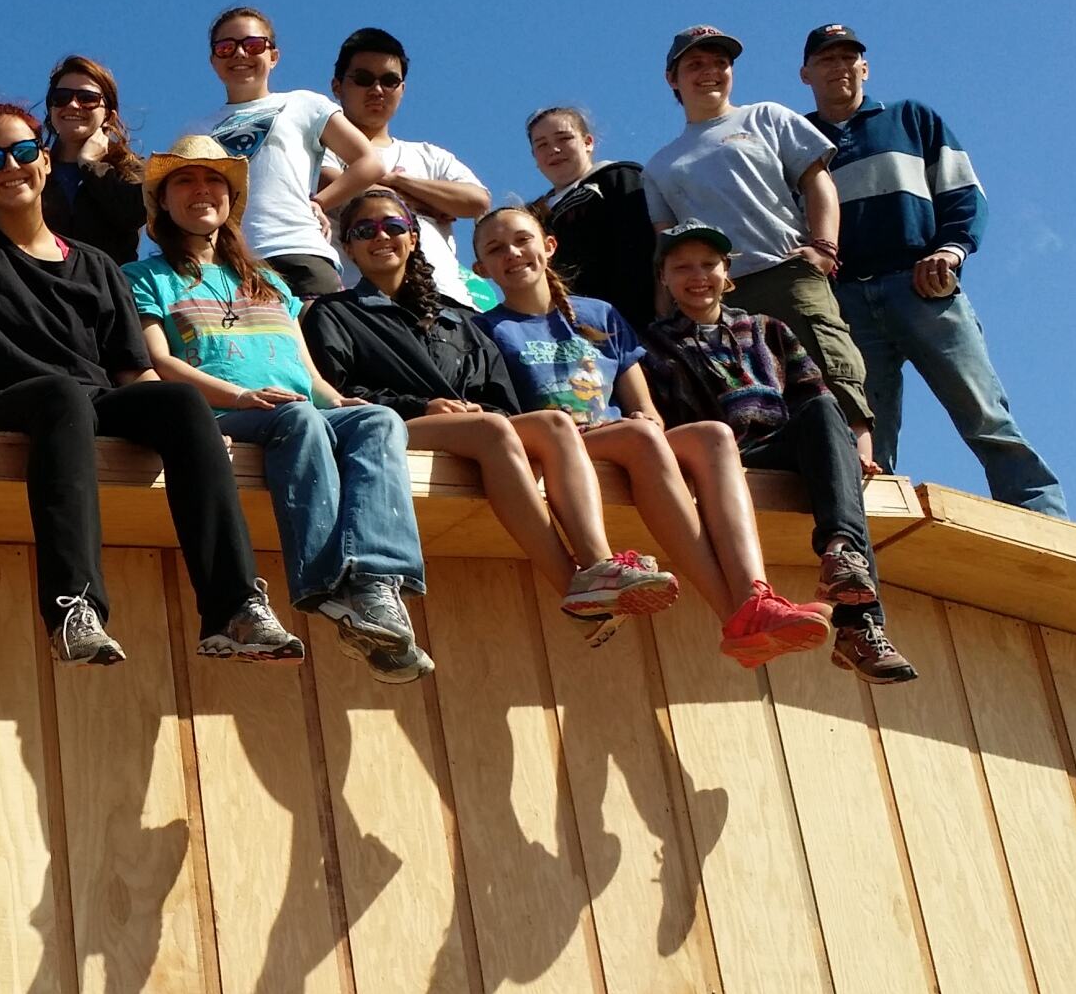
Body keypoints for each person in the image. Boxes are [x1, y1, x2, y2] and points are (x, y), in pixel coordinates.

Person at [0, 99, 303, 665]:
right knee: (61, 394)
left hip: (92, 401)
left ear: (45, 161)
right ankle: (74, 609)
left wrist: (190, 423)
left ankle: (234, 608)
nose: (12, 165)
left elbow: (134, 369)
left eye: (25, 151)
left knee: (176, 400)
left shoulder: (97, 265)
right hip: (4, 400)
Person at [125, 137, 435, 679]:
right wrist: (239, 396)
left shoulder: (267, 280)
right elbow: (159, 361)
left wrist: (340, 401)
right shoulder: (145, 277)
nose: (202, 191)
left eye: (214, 180)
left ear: (230, 198)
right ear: (164, 204)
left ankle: (375, 584)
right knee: (299, 419)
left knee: (379, 420)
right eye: (185, 181)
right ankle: (327, 584)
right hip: (223, 416)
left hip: (297, 407)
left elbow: (307, 371)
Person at [473, 205, 832, 668]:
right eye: (495, 249)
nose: (512, 253)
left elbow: (642, 403)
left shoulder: (599, 313)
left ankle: (755, 595)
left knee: (713, 436)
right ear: (481, 269)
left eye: (522, 240)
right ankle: (736, 616)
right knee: (639, 439)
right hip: (559, 446)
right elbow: (505, 415)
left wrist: (645, 419)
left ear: (549, 246)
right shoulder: (485, 328)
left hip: (621, 436)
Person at [306, 189, 680, 628]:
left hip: (473, 429)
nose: (380, 236)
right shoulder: (331, 313)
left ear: (412, 237)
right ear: (347, 246)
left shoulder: (459, 317)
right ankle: (573, 584)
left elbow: (501, 399)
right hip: (389, 429)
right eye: (364, 230)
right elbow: (337, 394)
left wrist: (471, 409)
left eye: (393, 226)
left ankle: (599, 563)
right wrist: (424, 405)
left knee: (553, 424)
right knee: (493, 431)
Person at [798, 23, 1067, 514]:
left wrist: (950, 250)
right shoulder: (795, 139)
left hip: (922, 283)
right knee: (863, 430)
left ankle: (1041, 515)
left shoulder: (910, 119)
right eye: (826, 60)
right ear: (806, 74)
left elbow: (963, 191)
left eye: (848, 57)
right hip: (845, 302)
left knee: (982, 409)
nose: (839, 67)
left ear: (865, 67)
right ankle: (872, 534)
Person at [640, 223, 919, 681]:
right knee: (829, 460)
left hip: (780, 442)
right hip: (719, 459)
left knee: (827, 410)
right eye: (682, 267)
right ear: (664, 278)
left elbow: (811, 391)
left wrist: (842, 451)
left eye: (708, 264)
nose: (697, 276)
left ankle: (840, 552)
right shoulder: (652, 344)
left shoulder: (766, 328)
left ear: (726, 271)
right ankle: (861, 628)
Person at [643, 25, 875, 472]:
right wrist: (665, 314)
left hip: (784, 269)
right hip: (716, 294)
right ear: (673, 79)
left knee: (828, 360)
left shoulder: (766, 116)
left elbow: (816, 180)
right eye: (696, 65)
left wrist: (824, 247)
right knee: (741, 385)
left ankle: (861, 458)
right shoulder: (660, 164)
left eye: (720, 63)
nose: (710, 72)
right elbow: (664, 242)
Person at [195, 6, 388, 297]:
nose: (240, 54)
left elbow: (369, 162)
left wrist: (321, 202)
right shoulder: (195, 130)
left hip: (299, 249)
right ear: (213, 61)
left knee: (321, 341)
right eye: (225, 47)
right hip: (228, 265)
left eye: (253, 45)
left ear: (273, 56)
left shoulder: (303, 104)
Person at [316, 28, 490, 310]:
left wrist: (393, 180)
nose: (376, 90)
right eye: (363, 79)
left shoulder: (430, 155)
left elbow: (476, 201)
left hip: (447, 301)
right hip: (366, 305)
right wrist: (425, 203)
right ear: (337, 86)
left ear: (403, 89)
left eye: (389, 80)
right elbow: (329, 184)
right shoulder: (322, 149)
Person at [526, 107, 660, 332]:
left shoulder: (618, 178)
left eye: (564, 138)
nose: (554, 150)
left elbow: (642, 248)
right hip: (564, 333)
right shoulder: (531, 215)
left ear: (588, 142)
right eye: (542, 145)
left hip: (629, 325)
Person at [38, 54, 149, 263]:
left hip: (109, 292)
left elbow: (133, 213)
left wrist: (91, 165)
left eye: (87, 98)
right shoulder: (28, 169)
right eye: (61, 97)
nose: (72, 105)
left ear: (109, 115)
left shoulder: (131, 169)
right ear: (50, 111)